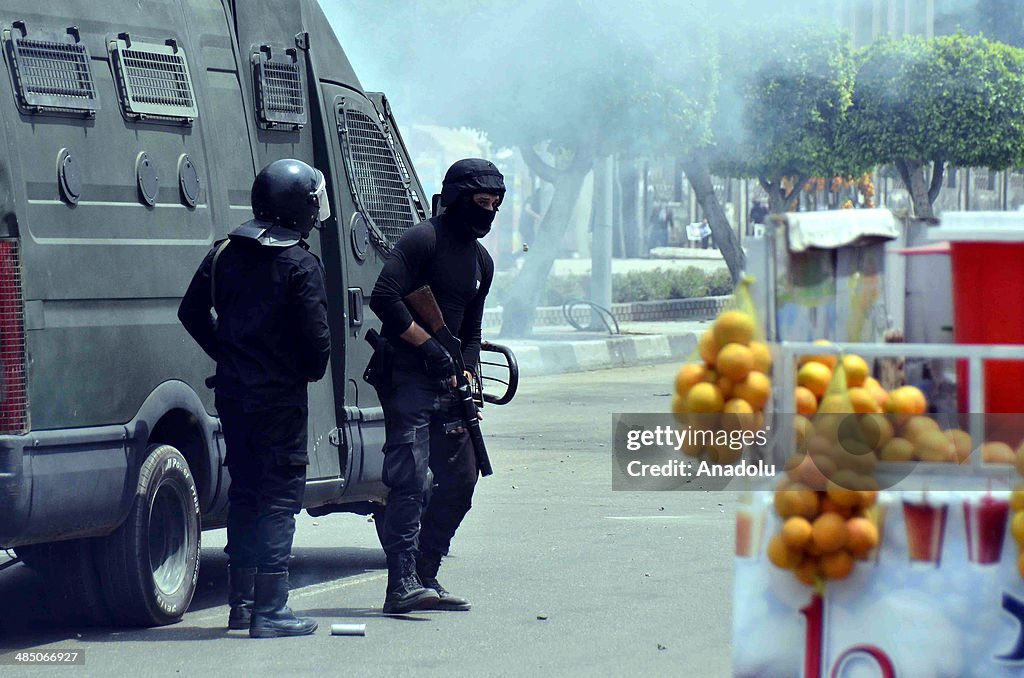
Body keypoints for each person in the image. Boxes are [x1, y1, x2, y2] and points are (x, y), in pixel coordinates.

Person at [178, 158, 331, 638]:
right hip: (280, 401)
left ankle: (241, 606)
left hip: (234, 394)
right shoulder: (300, 263)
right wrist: (290, 368)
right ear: (297, 207)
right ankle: (272, 610)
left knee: (245, 494)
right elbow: (317, 352)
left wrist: (228, 352)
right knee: (280, 498)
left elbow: (191, 312)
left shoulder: (225, 252)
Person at [368, 158, 503, 614]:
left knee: (462, 479)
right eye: (481, 203)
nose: (488, 211)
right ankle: (400, 583)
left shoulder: (481, 260)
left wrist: (470, 378)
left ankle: (426, 571)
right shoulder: (423, 239)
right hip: (407, 376)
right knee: (409, 477)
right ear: (459, 199)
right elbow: (384, 296)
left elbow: (470, 330)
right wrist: (425, 345)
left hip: (450, 383)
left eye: (495, 205)